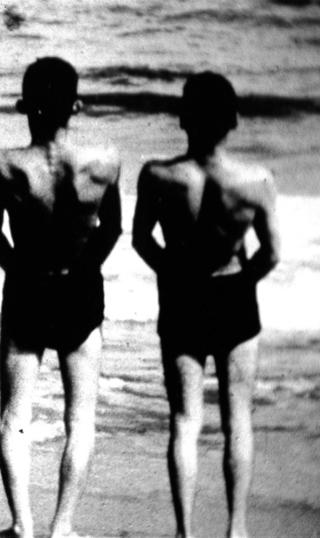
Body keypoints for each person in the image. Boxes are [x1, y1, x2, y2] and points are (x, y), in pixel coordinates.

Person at [132, 72, 280, 538]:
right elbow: (271, 253)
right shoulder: (256, 179)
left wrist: (171, 274)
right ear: (234, 120)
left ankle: (184, 533)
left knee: (184, 422)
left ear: (183, 119)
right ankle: (236, 531)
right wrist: (240, 283)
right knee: (238, 419)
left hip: (182, 298)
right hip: (235, 297)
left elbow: (140, 240)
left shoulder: (158, 175)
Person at [0, 57, 122, 538]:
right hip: (81, 287)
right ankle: (62, 528)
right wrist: (84, 269)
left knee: (14, 416)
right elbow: (115, 228)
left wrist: (21, 271)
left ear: (24, 106)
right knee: (80, 418)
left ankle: (22, 524)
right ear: (76, 106)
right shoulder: (104, 162)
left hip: (27, 286)